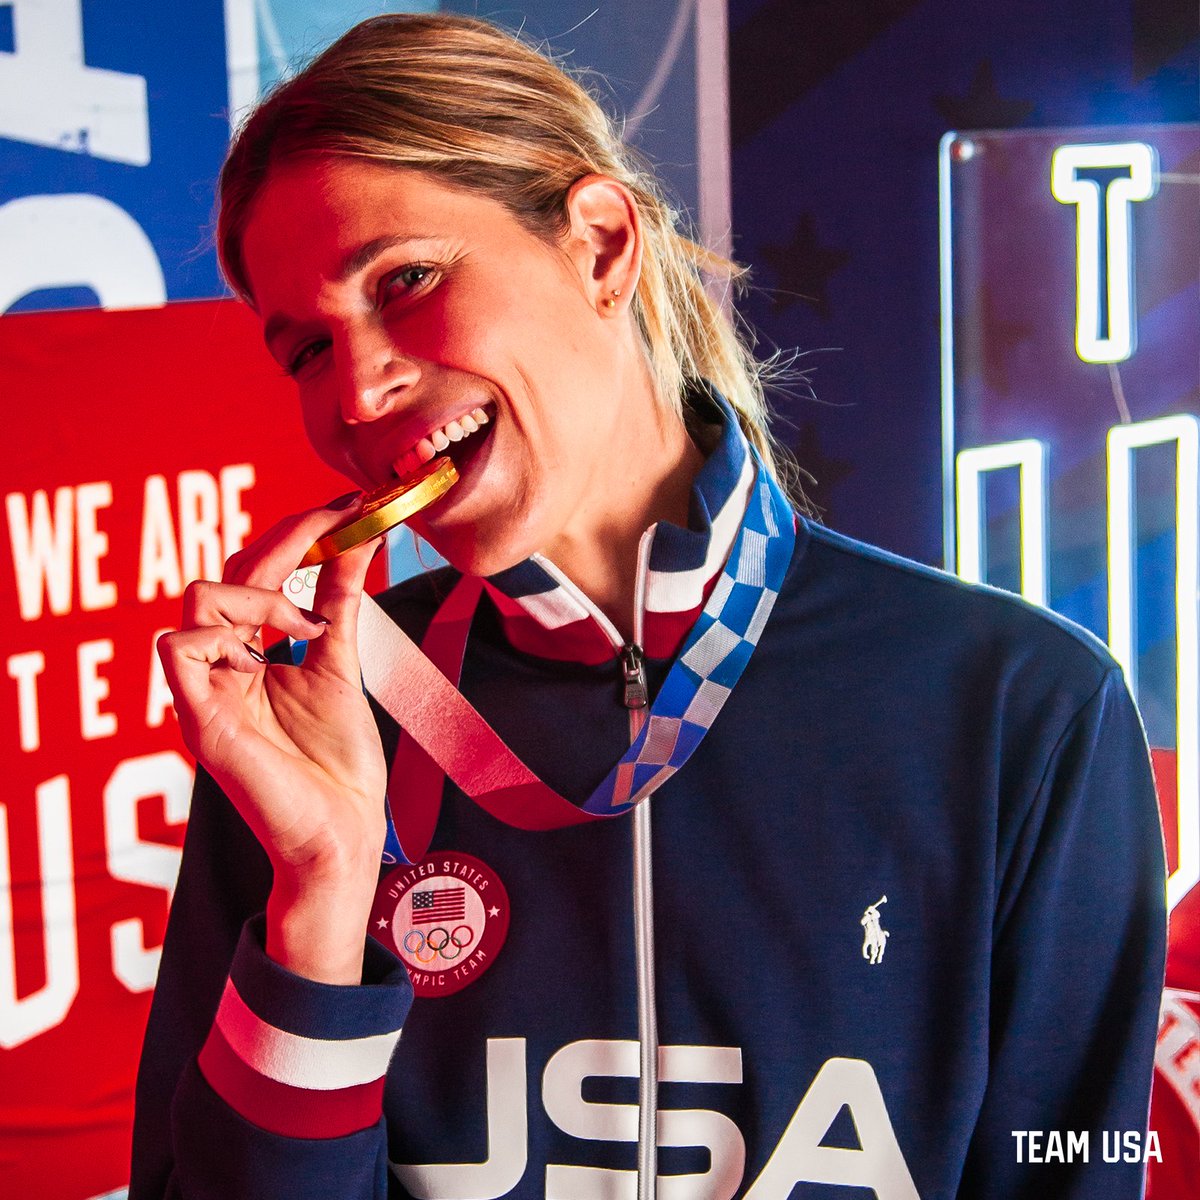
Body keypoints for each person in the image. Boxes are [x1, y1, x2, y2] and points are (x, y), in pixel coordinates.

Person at [131, 12, 1167, 1199]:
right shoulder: (314, 727)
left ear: (602, 245)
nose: (360, 390)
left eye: (405, 279)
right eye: (307, 349)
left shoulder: (1018, 706)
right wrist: (320, 888)